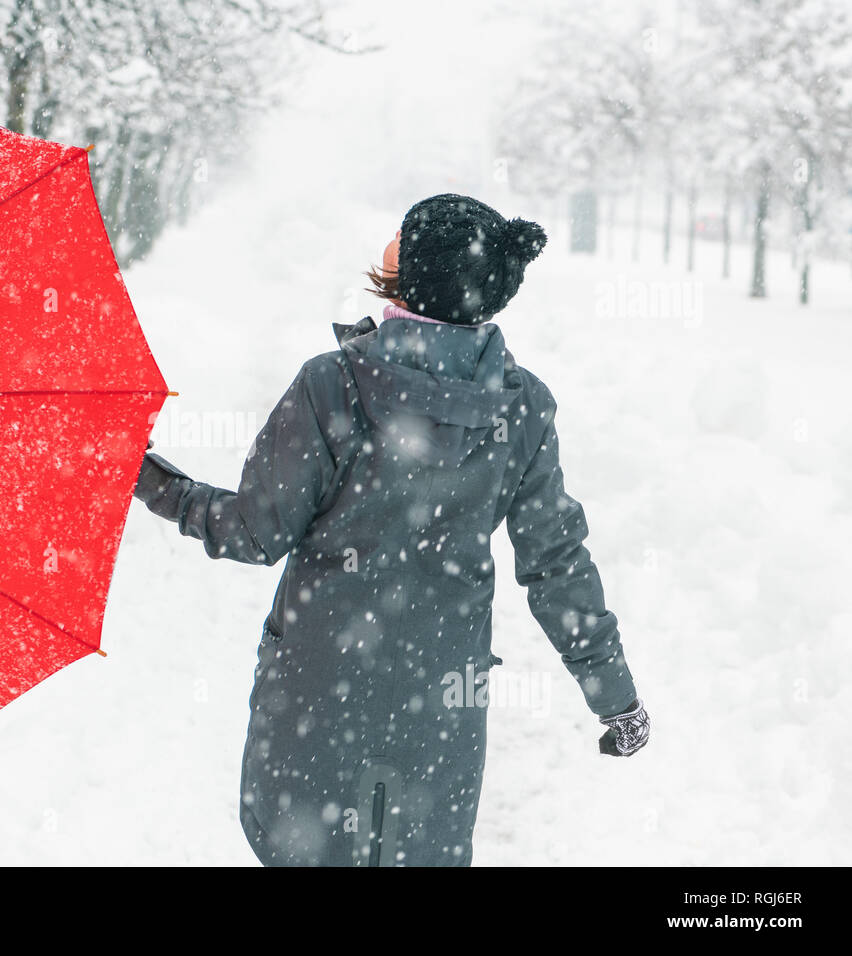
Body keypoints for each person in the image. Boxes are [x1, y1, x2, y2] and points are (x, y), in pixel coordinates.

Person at [132, 194, 649, 867]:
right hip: (440, 702)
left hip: (317, 689)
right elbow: (555, 562)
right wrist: (615, 694)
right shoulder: (522, 408)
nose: (390, 243)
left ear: (419, 272)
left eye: (402, 237)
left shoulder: (333, 385)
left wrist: (150, 482)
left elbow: (255, 535)